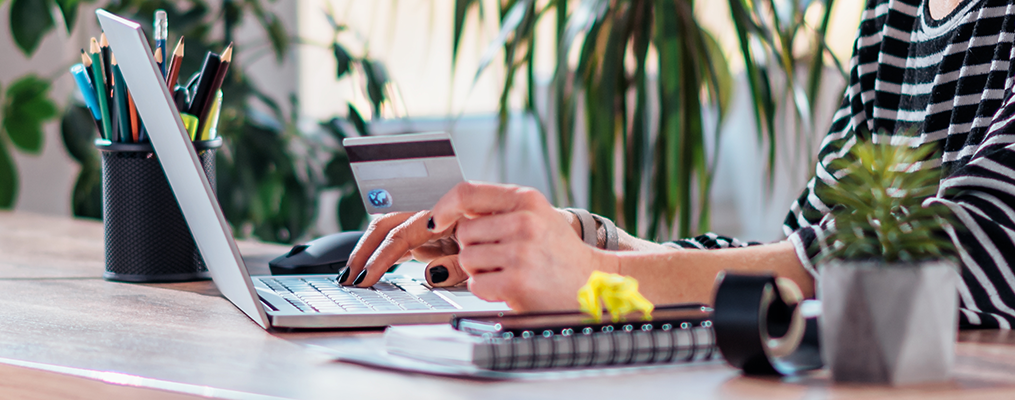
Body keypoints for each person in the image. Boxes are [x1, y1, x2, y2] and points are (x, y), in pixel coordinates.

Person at [339, 0, 1015, 329]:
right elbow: (796, 259)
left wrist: (597, 278)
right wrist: (584, 240)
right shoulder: (894, 15)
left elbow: (983, 246)